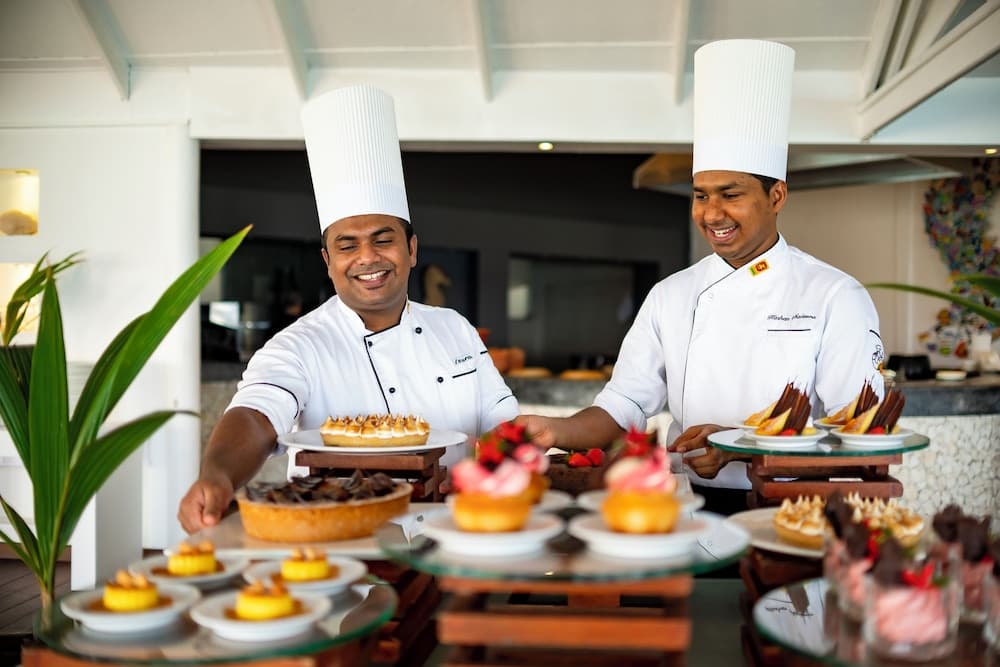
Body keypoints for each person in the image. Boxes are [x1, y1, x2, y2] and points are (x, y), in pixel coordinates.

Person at [517, 40, 884, 515]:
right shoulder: (671, 294)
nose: (712, 214)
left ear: (776, 196)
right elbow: (625, 403)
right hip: (685, 503)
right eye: (700, 195)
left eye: (730, 194)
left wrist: (740, 446)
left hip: (792, 506)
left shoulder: (834, 295)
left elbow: (860, 431)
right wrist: (557, 429)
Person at [178, 85, 517, 533]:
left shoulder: (454, 328)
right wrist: (218, 474)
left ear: (412, 249)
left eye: (383, 239)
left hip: (458, 533)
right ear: (328, 260)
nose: (368, 258)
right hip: (338, 543)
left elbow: (502, 425)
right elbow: (256, 416)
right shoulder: (298, 345)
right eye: (347, 245)